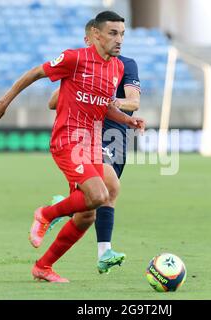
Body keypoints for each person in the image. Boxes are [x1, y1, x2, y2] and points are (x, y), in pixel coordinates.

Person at [0, 11, 145, 282]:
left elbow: (104, 107)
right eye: (113, 33)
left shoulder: (117, 68)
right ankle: (46, 213)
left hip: (91, 143)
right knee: (102, 194)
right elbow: (35, 73)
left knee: (87, 216)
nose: (119, 40)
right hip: (68, 139)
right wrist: (3, 102)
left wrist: (129, 120)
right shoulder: (74, 58)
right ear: (95, 35)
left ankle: (43, 266)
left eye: (122, 34)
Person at [48, 19, 141, 274]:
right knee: (108, 186)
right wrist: (79, 87)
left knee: (98, 201)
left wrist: (107, 99)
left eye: (120, 34)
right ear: (91, 38)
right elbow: (52, 103)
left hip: (116, 133)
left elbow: (133, 102)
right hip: (86, 132)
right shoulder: (82, 65)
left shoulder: (125, 66)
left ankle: (66, 208)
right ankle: (104, 251)